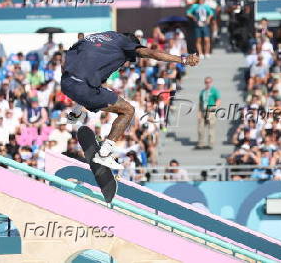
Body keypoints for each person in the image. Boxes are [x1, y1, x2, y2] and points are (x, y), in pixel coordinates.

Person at [62, 31, 199, 169]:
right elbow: (152, 54)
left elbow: (73, 51)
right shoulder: (125, 42)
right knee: (128, 110)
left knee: (94, 88)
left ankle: (75, 113)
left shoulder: (100, 38)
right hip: (83, 88)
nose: (126, 62)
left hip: (66, 82)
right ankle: (104, 154)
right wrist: (183, 60)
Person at [196, 76, 220, 150]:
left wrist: (215, 107)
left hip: (210, 110)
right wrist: (199, 112)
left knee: (211, 127)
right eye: (206, 82)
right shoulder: (202, 91)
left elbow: (218, 100)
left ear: (211, 82)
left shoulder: (214, 91)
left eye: (209, 82)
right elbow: (200, 102)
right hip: (203, 110)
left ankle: (211, 143)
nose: (207, 84)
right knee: (200, 127)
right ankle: (201, 143)